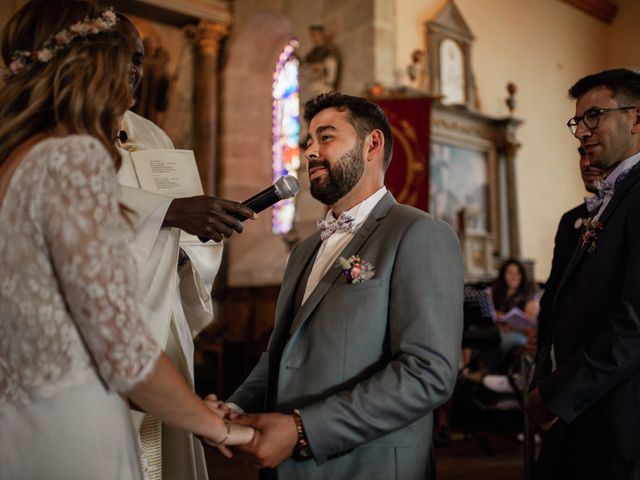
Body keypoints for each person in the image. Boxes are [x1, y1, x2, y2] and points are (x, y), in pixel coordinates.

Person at [0, 2, 253, 479]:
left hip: (17, 426)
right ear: (93, 60)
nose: (133, 76)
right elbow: (124, 353)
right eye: (124, 57)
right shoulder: (70, 159)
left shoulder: (12, 160)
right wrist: (225, 429)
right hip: (72, 434)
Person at [222, 92, 463, 480]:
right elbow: (280, 355)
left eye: (326, 137)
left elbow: (428, 372)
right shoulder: (304, 251)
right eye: (308, 142)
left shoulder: (418, 234)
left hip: (369, 466)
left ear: (372, 144)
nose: (311, 151)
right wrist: (232, 411)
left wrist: (303, 429)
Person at [114, 14, 255, 480]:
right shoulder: (58, 132)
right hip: (106, 311)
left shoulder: (154, 136)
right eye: (125, 58)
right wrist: (169, 213)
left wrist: (194, 238)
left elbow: (184, 238)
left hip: (158, 310)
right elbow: (75, 209)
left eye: (141, 60)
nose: (136, 71)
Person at [528, 68, 640, 479]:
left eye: (595, 116)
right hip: (580, 417)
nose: (581, 132)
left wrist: (557, 396)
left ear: (636, 117)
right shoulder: (609, 199)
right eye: (578, 121)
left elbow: (634, 325)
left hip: (617, 420)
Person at [534, 147, 605, 358]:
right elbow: (554, 288)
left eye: (592, 152)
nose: (585, 163)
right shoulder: (570, 219)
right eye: (581, 154)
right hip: (563, 350)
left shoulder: (629, 209)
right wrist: (542, 353)